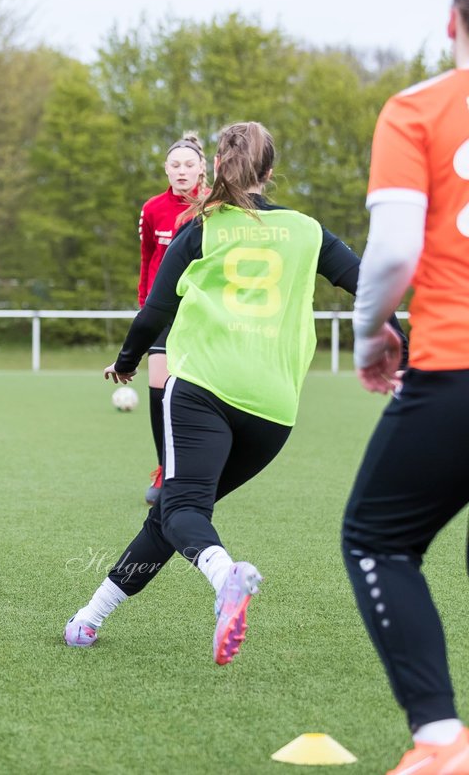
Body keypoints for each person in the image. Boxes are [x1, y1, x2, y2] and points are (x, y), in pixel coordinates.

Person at [62, 121, 403, 665]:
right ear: (268, 173)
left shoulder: (201, 225)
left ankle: (227, 578)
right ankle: (88, 619)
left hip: (202, 388)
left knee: (182, 510)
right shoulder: (307, 229)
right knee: (176, 513)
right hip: (272, 409)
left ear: (215, 168)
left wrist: (127, 362)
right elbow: (369, 285)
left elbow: (155, 309)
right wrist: (400, 347)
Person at [342, 0, 469, 775]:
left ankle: (441, 742)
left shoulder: (421, 110)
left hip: (457, 362)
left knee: (378, 539)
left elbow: (392, 251)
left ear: (454, 21)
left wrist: (370, 337)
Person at [137, 132, 208, 505]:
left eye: (189, 165)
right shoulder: (152, 209)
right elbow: (147, 256)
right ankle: (166, 469)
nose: (182, 171)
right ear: (166, 169)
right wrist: (144, 305)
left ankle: (201, 465)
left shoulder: (216, 208)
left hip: (204, 310)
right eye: (175, 165)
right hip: (163, 310)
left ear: (202, 169)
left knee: (203, 388)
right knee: (158, 386)